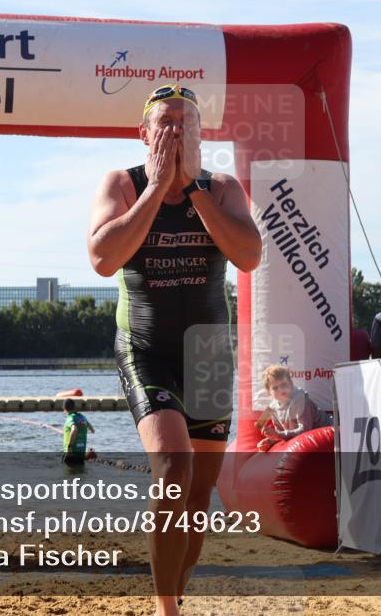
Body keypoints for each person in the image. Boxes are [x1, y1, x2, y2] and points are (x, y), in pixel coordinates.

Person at [87, 84, 261, 616]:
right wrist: (157, 189)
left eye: (186, 123)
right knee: (172, 469)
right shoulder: (122, 183)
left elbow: (249, 255)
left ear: (201, 135)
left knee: (198, 497)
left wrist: (193, 193)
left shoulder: (223, 187)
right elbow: (102, 257)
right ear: (144, 134)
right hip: (146, 347)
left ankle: (176, 597)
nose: (175, 131)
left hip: (208, 354)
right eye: (164, 122)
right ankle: (166, 611)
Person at [254, 365, 323, 452]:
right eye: (275, 388)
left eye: (284, 384)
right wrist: (270, 441)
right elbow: (282, 433)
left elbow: (305, 430)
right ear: (269, 393)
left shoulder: (299, 399)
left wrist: (278, 435)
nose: (281, 389)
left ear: (291, 384)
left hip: (325, 430)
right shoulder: (273, 408)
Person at [62, 398, 95, 465]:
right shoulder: (82, 417)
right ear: (74, 407)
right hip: (81, 453)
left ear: (64, 409)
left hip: (71, 453)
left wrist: (69, 447)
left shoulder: (70, 418)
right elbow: (92, 430)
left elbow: (74, 429)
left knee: (68, 473)